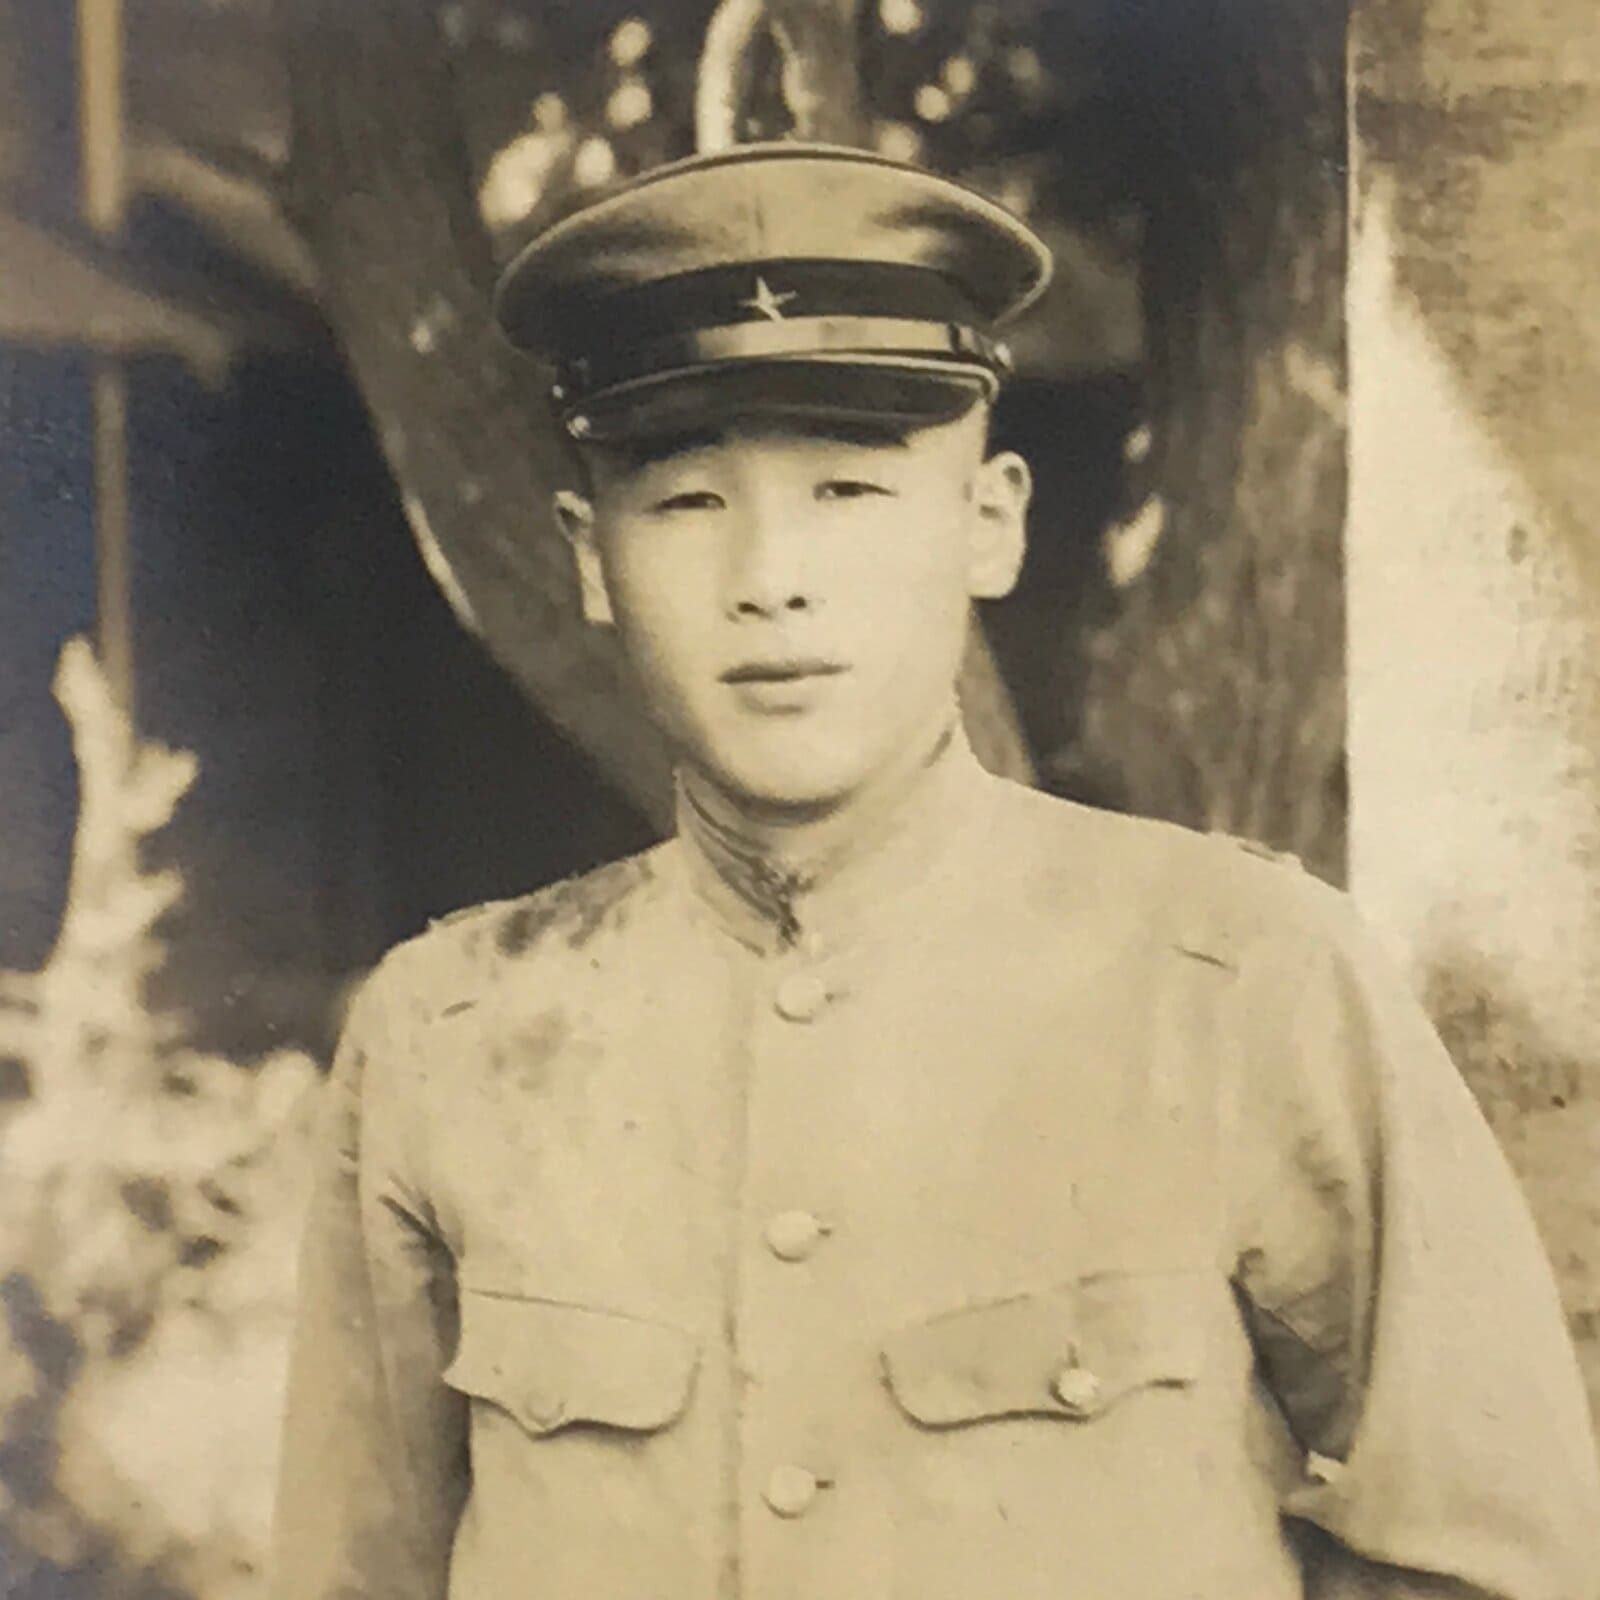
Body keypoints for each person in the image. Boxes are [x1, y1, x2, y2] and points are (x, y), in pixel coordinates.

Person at [269, 142, 1599, 1600]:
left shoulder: (1245, 981)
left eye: (848, 490)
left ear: (990, 523)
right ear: (591, 558)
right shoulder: (451, 1038)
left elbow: (1492, 1563)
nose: (770, 578)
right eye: (688, 502)